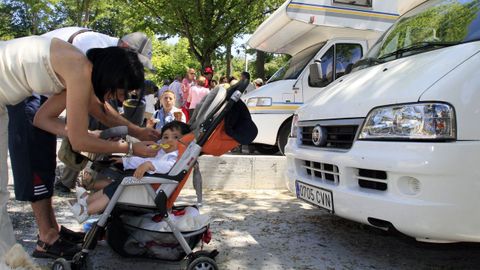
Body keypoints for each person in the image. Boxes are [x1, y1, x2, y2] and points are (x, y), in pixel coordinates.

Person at [0, 36, 160, 259]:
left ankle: (14, 254)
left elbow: (42, 119)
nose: (118, 99)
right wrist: (131, 149)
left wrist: (87, 133)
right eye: (120, 93)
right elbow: (79, 142)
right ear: (114, 77)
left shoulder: (82, 67)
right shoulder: (80, 70)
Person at [40, 28, 155, 193]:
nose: (134, 69)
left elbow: (43, 118)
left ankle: (76, 181)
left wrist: (135, 132)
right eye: (134, 62)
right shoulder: (87, 59)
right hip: (25, 91)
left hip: (38, 90)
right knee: (37, 164)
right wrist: (131, 146)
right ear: (123, 48)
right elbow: (99, 111)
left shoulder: (98, 63)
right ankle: (69, 181)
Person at [70, 121, 190, 222]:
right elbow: (144, 160)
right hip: (146, 186)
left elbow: (167, 166)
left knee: (117, 188)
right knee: (117, 183)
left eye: (175, 137)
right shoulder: (162, 153)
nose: (169, 140)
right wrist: (125, 161)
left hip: (152, 192)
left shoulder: (175, 156)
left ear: (184, 141)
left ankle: (87, 211)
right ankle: (87, 201)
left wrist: (149, 164)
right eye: (165, 137)